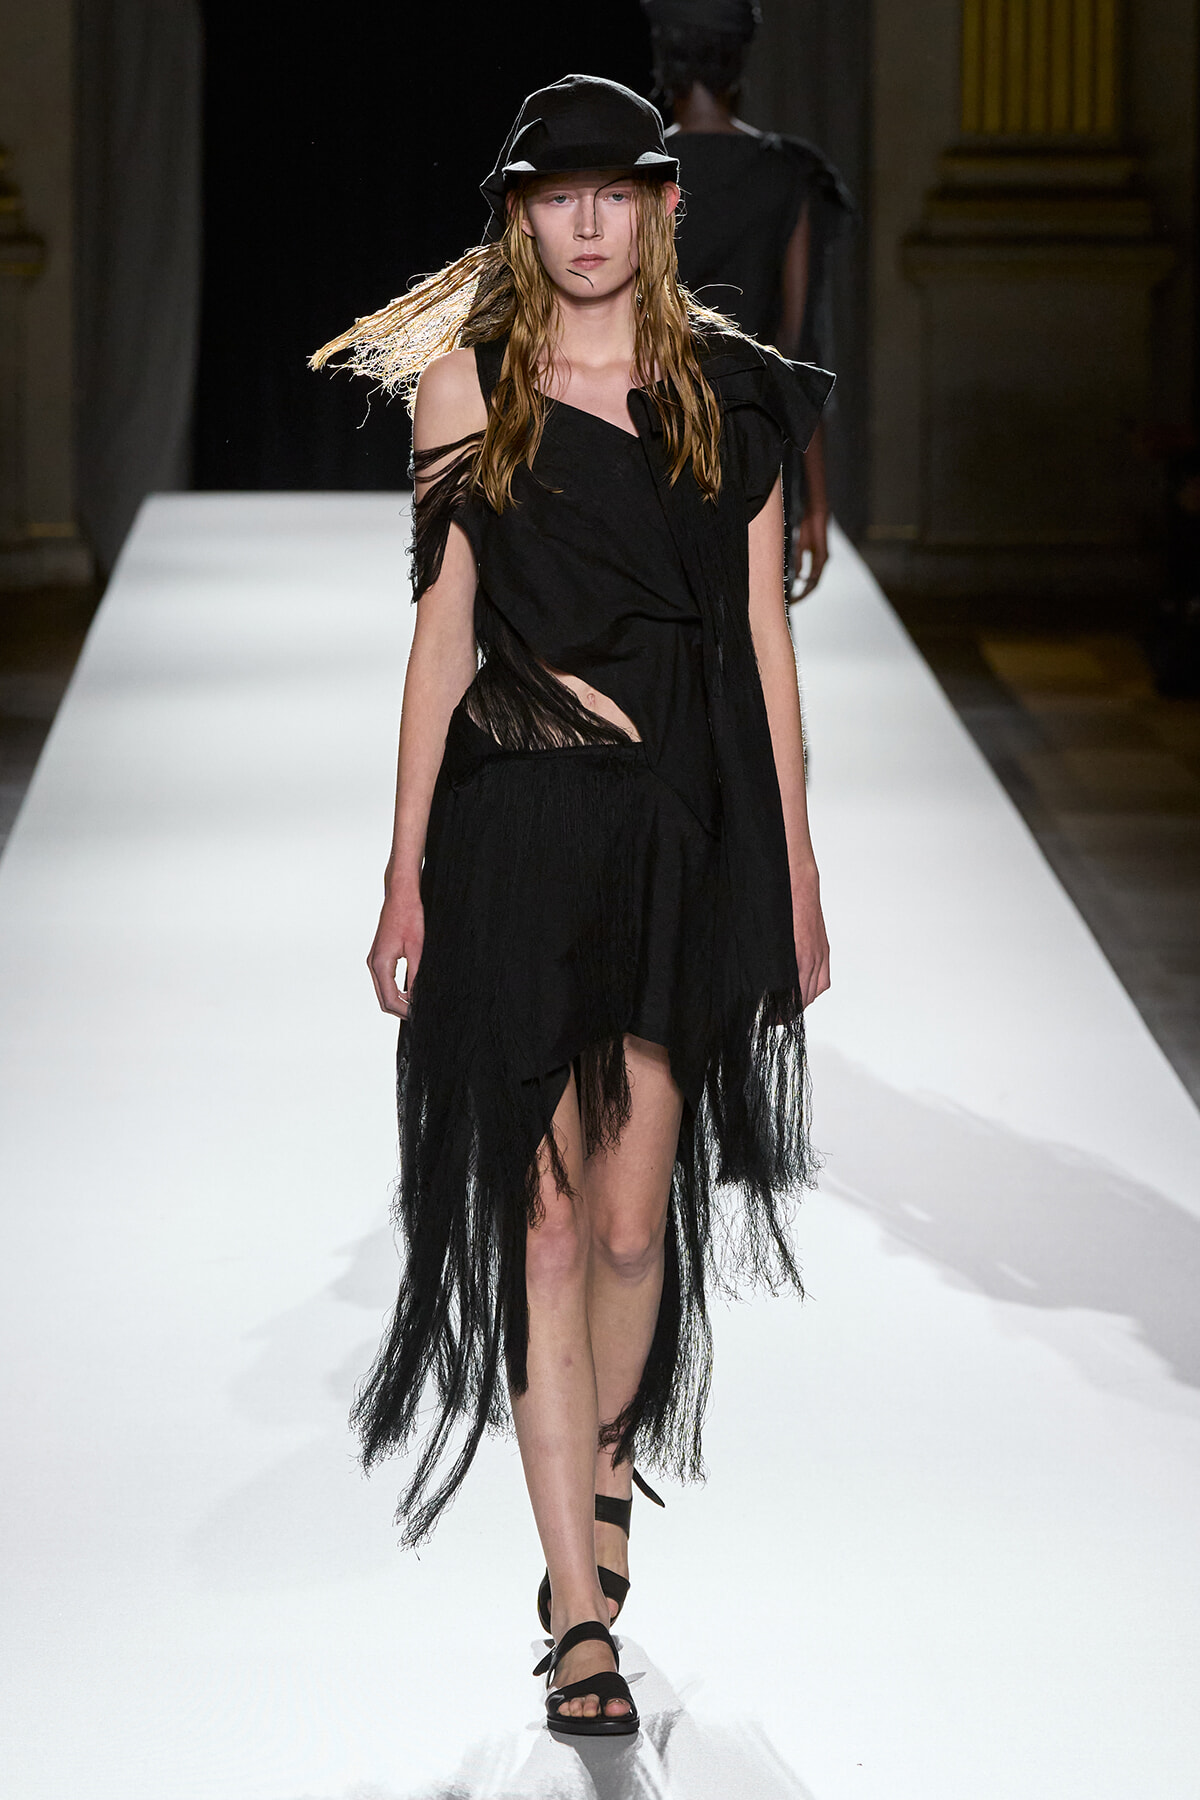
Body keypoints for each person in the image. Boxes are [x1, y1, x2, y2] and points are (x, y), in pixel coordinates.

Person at [311, 73, 832, 1738]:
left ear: (665, 208)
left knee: (628, 1222)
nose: (590, 221)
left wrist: (797, 872)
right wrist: (403, 865)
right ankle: (578, 1614)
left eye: (619, 192)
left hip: (678, 834)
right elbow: (442, 632)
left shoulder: (731, 397)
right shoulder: (469, 390)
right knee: (539, 1227)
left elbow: (764, 642)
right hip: (516, 829)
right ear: (521, 214)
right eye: (561, 194)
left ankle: (597, 1503)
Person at [644, 0, 854, 596]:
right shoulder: (788, 176)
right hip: (751, 442)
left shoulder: (637, 178)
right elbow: (799, 345)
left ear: (667, 60)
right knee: (749, 643)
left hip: (647, 429)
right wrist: (815, 498)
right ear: (739, 63)